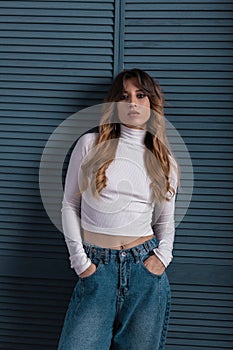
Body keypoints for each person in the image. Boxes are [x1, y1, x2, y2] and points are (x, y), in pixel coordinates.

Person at [57, 68, 179, 350]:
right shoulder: (90, 144)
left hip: (145, 269)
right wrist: (81, 263)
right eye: (124, 96)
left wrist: (161, 258)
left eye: (140, 95)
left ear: (152, 104)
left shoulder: (164, 159)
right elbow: (69, 205)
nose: (132, 103)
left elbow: (165, 222)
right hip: (97, 267)